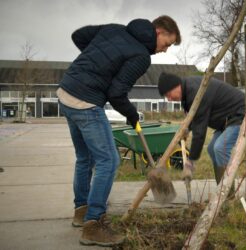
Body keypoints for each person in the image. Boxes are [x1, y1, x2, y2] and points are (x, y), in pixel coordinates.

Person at [58, 16, 181, 246]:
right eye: (167, 44)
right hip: (86, 101)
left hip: (66, 92)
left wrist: (97, 62)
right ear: (159, 31)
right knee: (109, 161)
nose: (164, 51)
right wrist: (132, 114)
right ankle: (93, 225)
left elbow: (79, 36)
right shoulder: (141, 57)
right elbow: (116, 93)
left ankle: (81, 212)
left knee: (85, 158)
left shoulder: (115, 29)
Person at [157, 72, 245, 190]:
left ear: (176, 86)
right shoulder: (187, 91)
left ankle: (227, 194)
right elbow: (195, 116)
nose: (169, 99)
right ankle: (221, 190)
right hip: (227, 121)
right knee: (212, 149)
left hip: (242, 113)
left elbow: (200, 131)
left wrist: (190, 162)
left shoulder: (195, 92)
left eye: (168, 94)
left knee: (219, 148)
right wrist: (187, 129)